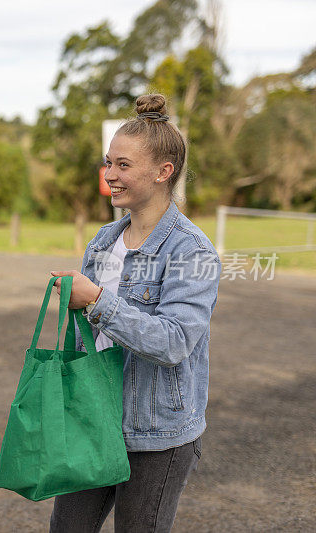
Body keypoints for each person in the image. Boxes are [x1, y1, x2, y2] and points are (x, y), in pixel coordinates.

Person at [48, 94, 220, 532]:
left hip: (157, 435)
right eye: (108, 164)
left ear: (164, 172)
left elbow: (175, 341)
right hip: (96, 417)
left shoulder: (191, 250)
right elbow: (86, 339)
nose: (109, 176)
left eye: (123, 166)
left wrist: (96, 301)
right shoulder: (104, 240)